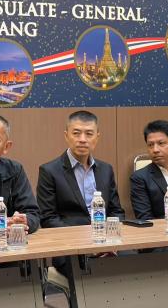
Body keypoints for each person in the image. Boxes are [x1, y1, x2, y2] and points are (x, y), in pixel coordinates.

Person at [37, 110, 124, 277]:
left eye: (89, 134)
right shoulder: (49, 171)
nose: (82, 139)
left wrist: (110, 241)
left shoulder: (106, 170)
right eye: (76, 133)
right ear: (66, 135)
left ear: (97, 137)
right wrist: (86, 243)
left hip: (107, 244)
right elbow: (48, 219)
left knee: (136, 262)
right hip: (71, 249)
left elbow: (117, 212)